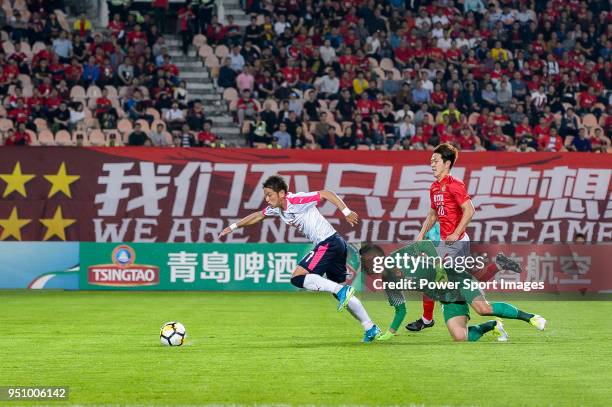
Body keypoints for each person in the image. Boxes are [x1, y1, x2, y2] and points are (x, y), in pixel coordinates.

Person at [401, 144, 547, 341]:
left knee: (477, 304)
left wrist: (456, 233)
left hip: (457, 244)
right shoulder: (434, 187)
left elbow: (469, 210)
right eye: (431, 161)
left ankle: (531, 318)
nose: (432, 164)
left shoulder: (455, 184)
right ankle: (492, 324)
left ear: (447, 163)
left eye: (435, 160)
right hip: (446, 247)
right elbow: (433, 214)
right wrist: (420, 235)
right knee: (461, 337)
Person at [219, 175, 382, 342]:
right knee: (338, 291)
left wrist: (346, 211)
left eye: (269, 194)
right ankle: (370, 327)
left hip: (329, 243)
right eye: (265, 195)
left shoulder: (296, 200)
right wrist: (232, 227)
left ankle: (343, 292)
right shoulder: (277, 208)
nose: (266, 199)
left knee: (298, 277)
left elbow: (326, 193)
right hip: (336, 243)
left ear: (282, 193)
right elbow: (258, 216)